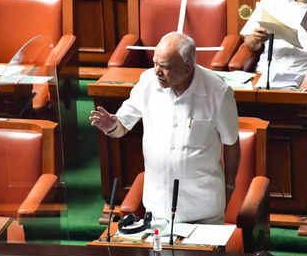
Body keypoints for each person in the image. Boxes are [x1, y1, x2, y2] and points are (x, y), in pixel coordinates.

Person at [89, 32, 240, 224]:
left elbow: (231, 143)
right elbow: (121, 127)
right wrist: (111, 126)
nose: (157, 72)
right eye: (155, 64)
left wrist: (229, 186)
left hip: (203, 211)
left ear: (187, 68)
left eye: (165, 67)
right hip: (157, 208)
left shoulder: (218, 92)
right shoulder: (147, 83)